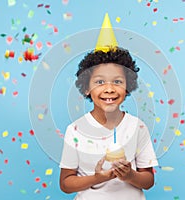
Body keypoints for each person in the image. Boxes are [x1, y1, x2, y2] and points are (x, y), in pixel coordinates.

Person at [59, 47, 158, 200]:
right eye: (100, 82)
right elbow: (66, 184)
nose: (109, 89)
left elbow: (148, 181)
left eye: (117, 82)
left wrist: (130, 175)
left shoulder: (138, 127)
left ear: (127, 87)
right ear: (86, 88)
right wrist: (98, 178)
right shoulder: (75, 130)